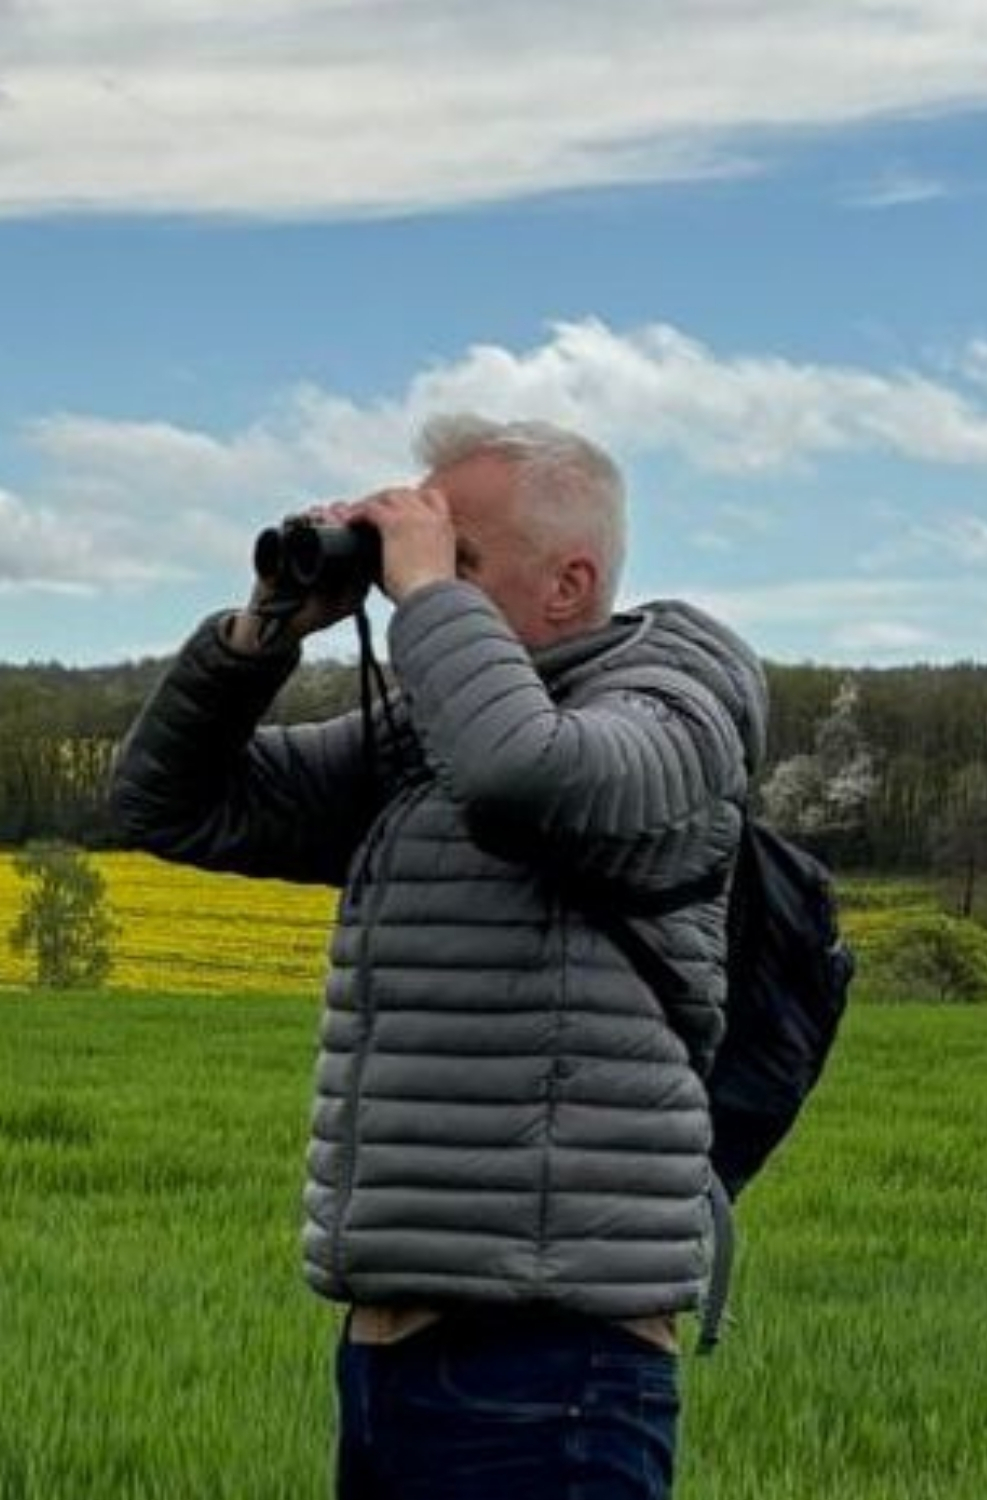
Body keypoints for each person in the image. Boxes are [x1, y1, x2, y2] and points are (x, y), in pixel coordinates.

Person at [110, 413, 766, 1498]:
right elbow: (168, 804)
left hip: (556, 1366)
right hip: (391, 1350)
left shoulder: (674, 709)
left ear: (568, 584)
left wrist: (427, 603)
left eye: (458, 554)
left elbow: (526, 773)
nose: (415, 573)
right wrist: (264, 631)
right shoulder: (429, 733)